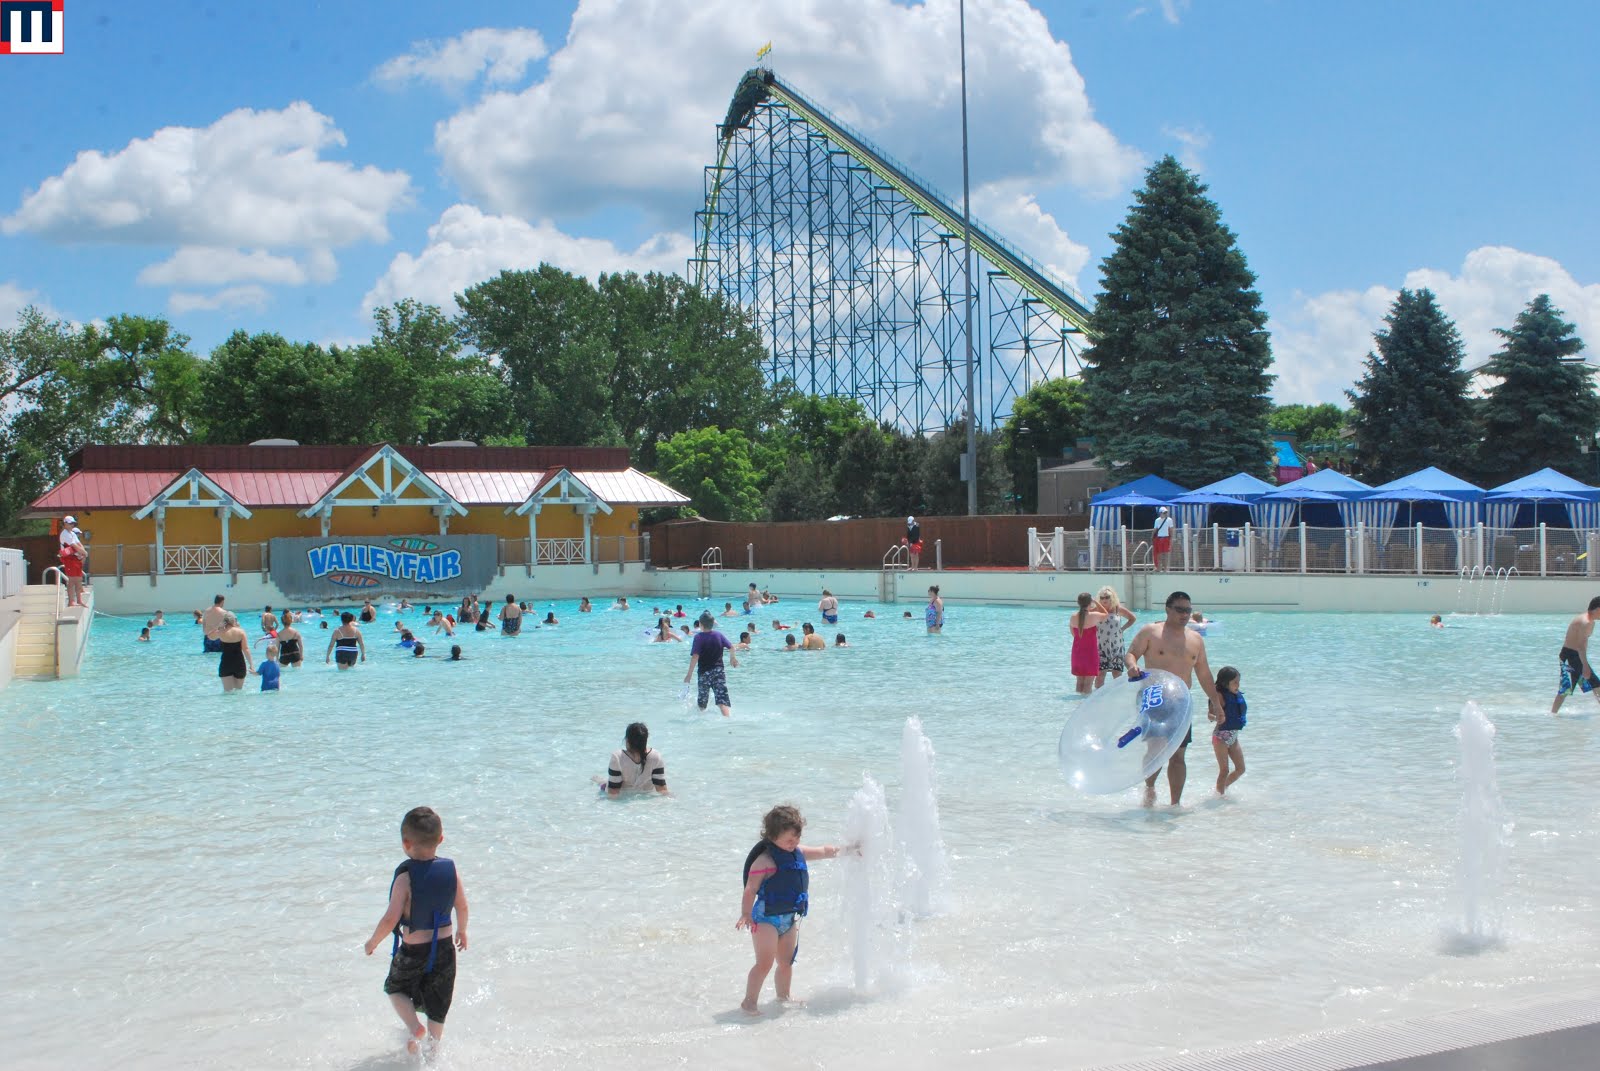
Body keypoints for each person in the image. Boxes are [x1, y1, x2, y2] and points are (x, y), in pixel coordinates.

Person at [363, 807, 470, 1057]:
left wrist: (372, 942)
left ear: (406, 843)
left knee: (395, 988)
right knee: (437, 1005)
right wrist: (462, 930)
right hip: (444, 949)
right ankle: (433, 1052)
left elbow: (391, 918)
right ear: (440, 840)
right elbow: (462, 905)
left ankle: (414, 1028)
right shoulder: (451, 871)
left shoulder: (406, 878)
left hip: (414, 951)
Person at [737, 804, 846, 1016]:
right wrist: (746, 914)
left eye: (796, 839)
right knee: (764, 963)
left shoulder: (798, 853)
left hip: (788, 918)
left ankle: (783, 996)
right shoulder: (764, 861)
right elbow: (750, 888)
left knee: (786, 962)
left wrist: (848, 850)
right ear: (772, 836)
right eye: (789, 840)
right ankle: (749, 1001)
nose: (793, 843)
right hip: (765, 918)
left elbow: (824, 851)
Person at [1125, 591, 1223, 807]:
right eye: (1180, 610)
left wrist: (1216, 703)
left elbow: (1204, 674)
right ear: (1168, 609)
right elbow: (1130, 653)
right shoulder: (1151, 631)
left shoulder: (1195, 639)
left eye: (1188, 610)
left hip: (1181, 701)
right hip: (1154, 698)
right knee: (1157, 749)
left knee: (1179, 754)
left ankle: (1175, 804)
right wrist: (1132, 666)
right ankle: (1149, 789)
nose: (1185, 614)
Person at [1552, 596, 1600, 714]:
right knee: (1566, 688)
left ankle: (1553, 714)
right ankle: (1552, 714)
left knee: (1594, 684)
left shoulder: (1589, 621)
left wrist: (1584, 663)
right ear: (1598, 609)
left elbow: (1584, 643)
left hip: (1574, 655)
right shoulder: (1586, 622)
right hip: (1570, 655)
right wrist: (1585, 666)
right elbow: (1580, 646)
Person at [686, 611, 738, 717]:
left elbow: (695, 656)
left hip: (704, 673)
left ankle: (700, 723)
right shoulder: (719, 635)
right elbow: (732, 647)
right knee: (722, 700)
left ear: (700, 624)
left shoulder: (699, 637)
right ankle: (728, 720)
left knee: (702, 703)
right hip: (719, 671)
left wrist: (689, 675)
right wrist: (732, 658)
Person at [606, 722, 668, 797]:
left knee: (603, 785)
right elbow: (661, 789)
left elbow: (613, 792)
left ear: (627, 740)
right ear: (645, 741)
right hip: (645, 796)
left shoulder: (617, 757)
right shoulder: (656, 756)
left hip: (625, 797)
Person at [1212, 666, 1247, 795]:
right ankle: (1219, 796)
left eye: (1239, 681)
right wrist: (1216, 716)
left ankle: (1221, 789)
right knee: (1224, 770)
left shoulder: (1236, 695)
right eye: (1235, 682)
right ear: (1225, 683)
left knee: (1240, 769)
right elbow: (1210, 714)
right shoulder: (1219, 696)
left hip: (1233, 737)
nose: (1238, 685)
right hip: (1220, 737)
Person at [1094, 586, 1138, 689]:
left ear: (1112, 597)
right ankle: (1097, 699)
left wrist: (1122, 629)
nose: (1104, 599)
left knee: (1117, 674)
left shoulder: (1118, 608)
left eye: (1107, 597)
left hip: (1117, 645)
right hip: (1101, 646)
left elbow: (1132, 618)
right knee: (1101, 674)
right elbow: (1085, 619)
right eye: (1102, 597)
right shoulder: (1096, 610)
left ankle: (1117, 697)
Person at [1069, 593, 1107, 695]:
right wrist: (1096, 602)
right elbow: (1105, 614)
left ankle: (1076, 705)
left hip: (1077, 652)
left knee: (1079, 682)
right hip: (1090, 652)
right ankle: (1085, 705)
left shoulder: (1073, 617)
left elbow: (1073, 634)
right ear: (1090, 602)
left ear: (1078, 603)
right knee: (1088, 683)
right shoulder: (1094, 616)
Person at [216, 611, 249, 693]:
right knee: (239, 692)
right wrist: (251, 664)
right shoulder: (241, 632)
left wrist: (219, 628)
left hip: (225, 663)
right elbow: (246, 649)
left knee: (227, 693)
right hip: (239, 664)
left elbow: (210, 636)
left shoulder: (221, 632)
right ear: (234, 620)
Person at [58, 538, 87, 608]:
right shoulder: (67, 543)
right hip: (70, 562)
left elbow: (82, 554)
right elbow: (61, 554)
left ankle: (79, 600)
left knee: (78, 581)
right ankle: (71, 601)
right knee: (72, 581)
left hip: (77, 562)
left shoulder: (75, 543)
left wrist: (83, 555)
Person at [1152, 506, 1175, 571]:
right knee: (1159, 554)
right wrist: (1152, 537)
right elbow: (1155, 529)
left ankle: (1165, 568)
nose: (1165, 514)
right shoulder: (1157, 520)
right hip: (1159, 538)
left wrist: (1171, 538)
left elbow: (1171, 529)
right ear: (1160, 513)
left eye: (1166, 512)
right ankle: (1159, 567)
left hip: (1166, 538)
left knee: (1166, 554)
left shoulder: (1169, 520)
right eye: (1164, 513)